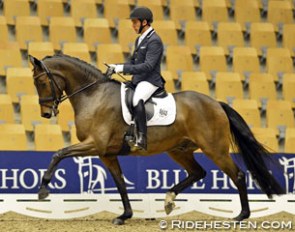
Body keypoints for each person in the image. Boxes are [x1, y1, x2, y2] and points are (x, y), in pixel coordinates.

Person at [109, 7, 165, 151]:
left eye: (135, 22)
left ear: (144, 22)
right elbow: (133, 63)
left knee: (136, 100)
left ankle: (141, 137)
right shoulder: (140, 39)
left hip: (150, 80)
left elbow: (148, 66)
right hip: (139, 80)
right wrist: (117, 67)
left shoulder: (154, 41)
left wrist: (123, 69)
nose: (133, 25)